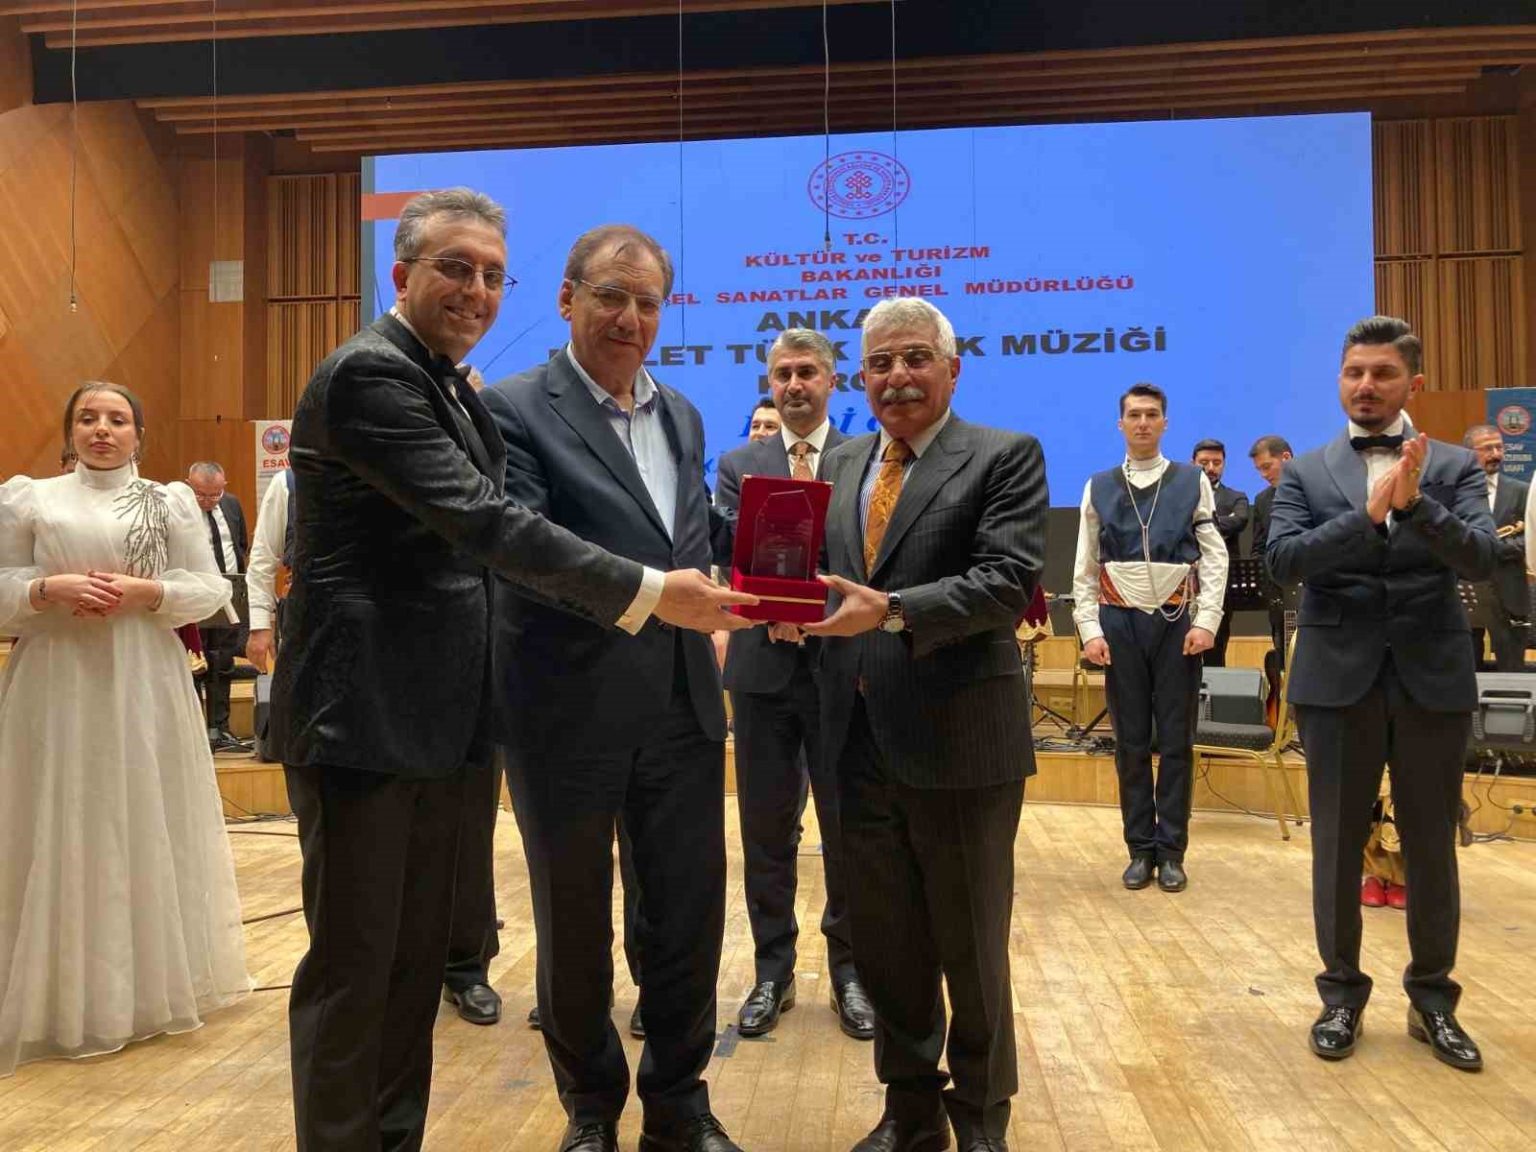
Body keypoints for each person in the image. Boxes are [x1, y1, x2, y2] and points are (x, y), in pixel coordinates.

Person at [269, 190, 752, 1152]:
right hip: (365, 713)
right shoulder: (374, 373)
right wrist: (656, 592)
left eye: (492, 274)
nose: (477, 290)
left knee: (411, 972)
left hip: (439, 716)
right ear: (400, 274)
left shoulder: (446, 381)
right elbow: (494, 527)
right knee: (359, 973)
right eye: (455, 268)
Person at [479, 223, 744, 1152]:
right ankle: (590, 1109)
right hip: (564, 709)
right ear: (566, 299)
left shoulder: (684, 415)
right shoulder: (512, 408)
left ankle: (680, 1104)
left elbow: (687, 543)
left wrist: (730, 606)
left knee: (686, 917)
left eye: (647, 302)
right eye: (610, 296)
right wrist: (657, 596)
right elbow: (521, 548)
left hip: (682, 704)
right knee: (575, 923)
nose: (630, 317)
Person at [803, 297, 1047, 1152]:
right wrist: (781, 608)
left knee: (972, 948)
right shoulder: (841, 465)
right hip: (854, 741)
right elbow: (824, 583)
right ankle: (910, 1114)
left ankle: (980, 1118)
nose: (897, 376)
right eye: (879, 363)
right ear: (861, 377)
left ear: (952, 368)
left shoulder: (1004, 455)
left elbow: (1006, 581)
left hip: (962, 743)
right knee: (887, 948)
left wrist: (893, 609)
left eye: (914, 358)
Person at [0, 382, 251, 1077]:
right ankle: (54, 996)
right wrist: (45, 590)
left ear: (138, 433)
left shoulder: (168, 501)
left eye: (117, 419)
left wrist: (149, 593)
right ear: (70, 430)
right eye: (88, 418)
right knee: (57, 817)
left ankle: (139, 993)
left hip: (143, 678)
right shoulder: (29, 498)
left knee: (137, 816)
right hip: (56, 679)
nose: (102, 430)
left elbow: (211, 589)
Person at [1268, 314, 1493, 1072]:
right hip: (1336, 680)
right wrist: (1366, 518)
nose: (1366, 385)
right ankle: (1340, 995)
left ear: (1413, 384)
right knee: (1335, 846)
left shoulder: (1454, 466)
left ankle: (1433, 1001)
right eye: (1354, 373)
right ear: (1340, 380)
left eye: (1383, 373)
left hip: (1432, 675)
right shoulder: (1306, 472)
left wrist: (1417, 504)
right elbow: (1284, 563)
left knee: (1432, 845)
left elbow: (1484, 559)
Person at [712, 328, 872, 1042]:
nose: (794, 385)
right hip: (761, 668)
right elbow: (733, 553)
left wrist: (809, 612)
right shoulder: (738, 464)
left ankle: (851, 971)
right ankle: (772, 972)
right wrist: (773, 611)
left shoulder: (863, 458)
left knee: (846, 828)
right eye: (782, 374)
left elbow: (860, 556)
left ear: (833, 380)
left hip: (843, 667)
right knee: (766, 830)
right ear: (770, 383)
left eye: (807, 371)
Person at [1074, 386, 1227, 892]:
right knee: (1130, 742)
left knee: (1177, 740)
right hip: (1119, 623)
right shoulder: (1099, 485)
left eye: (1152, 414)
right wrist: (1089, 628)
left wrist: (1207, 620)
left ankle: (1173, 849)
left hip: (1177, 621)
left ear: (1165, 423)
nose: (1143, 422)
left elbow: (1215, 556)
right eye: (1134, 415)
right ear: (1120, 424)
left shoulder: (1191, 480)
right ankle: (1140, 848)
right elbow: (1085, 565)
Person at [187, 460, 251, 753]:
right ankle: (194, 731)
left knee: (223, 662)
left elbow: (241, 544)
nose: (209, 501)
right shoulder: (180, 509)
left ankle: (220, 728)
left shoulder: (232, 504)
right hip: (194, 592)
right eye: (202, 494)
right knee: (195, 662)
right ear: (189, 485)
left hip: (228, 593)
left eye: (215, 494)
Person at [1463, 424, 1528, 671]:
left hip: (1509, 591)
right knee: (1467, 669)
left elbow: (1531, 537)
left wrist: (1495, 547)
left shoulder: (1521, 490)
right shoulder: (1456, 490)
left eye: (1499, 447)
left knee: (1512, 671)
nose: (1496, 454)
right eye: (1487, 449)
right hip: (1466, 590)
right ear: (1469, 454)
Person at [1191, 438, 1249, 666]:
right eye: (1204, 462)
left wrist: (1197, 524)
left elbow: (1239, 520)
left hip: (1221, 583)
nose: (1211, 468)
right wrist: (1220, 521)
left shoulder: (1236, 497)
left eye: (1217, 462)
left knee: (1216, 645)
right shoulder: (1181, 496)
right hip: (1183, 583)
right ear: (1193, 463)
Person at [1248, 434, 1295, 662]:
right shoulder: (1262, 500)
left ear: (1286, 457)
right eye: (1259, 470)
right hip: (1278, 594)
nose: (1264, 475)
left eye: (1267, 467)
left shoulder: (1315, 489)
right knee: (1283, 653)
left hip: (1313, 592)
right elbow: (1258, 547)